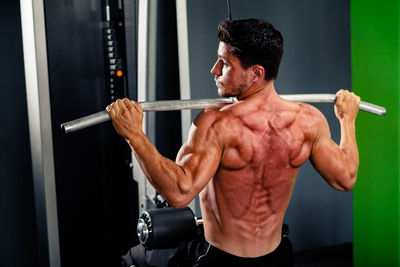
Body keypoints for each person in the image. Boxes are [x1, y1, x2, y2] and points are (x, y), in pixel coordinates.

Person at [107, 18, 360, 267]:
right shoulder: (309, 120)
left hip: (222, 260)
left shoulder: (216, 123)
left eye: (225, 63)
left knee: (133, 257)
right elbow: (345, 177)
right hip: (277, 257)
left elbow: (179, 192)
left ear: (256, 73)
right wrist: (347, 120)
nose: (214, 70)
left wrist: (135, 135)